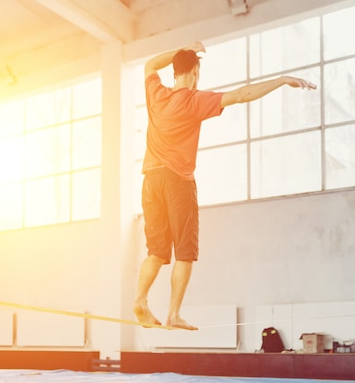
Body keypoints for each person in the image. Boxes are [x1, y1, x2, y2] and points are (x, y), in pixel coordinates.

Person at [133, 42, 316, 330]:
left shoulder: (156, 95)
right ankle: (174, 314)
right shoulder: (194, 101)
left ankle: (140, 300)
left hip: (150, 180)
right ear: (195, 72)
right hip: (177, 182)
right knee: (185, 252)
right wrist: (281, 80)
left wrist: (182, 50)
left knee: (156, 251)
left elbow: (149, 65)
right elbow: (242, 95)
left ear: (174, 70)